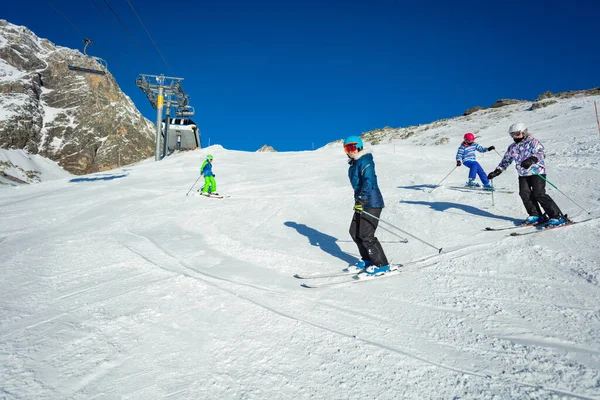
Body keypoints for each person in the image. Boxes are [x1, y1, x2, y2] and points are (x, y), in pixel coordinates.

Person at [487, 122, 567, 226]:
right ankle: (536, 215)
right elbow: (506, 160)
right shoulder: (512, 147)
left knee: (539, 194)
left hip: (536, 172)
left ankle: (557, 216)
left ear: (524, 132)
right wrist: (498, 171)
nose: (514, 137)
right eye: (512, 134)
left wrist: (532, 159)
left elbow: (541, 153)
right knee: (524, 194)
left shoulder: (533, 142)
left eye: (517, 134)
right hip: (523, 174)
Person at [343, 136, 391, 276]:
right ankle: (367, 260)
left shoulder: (365, 160)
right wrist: (358, 201)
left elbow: (368, 182)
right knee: (354, 232)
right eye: (347, 148)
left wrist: (362, 201)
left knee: (366, 235)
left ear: (359, 147)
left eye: (352, 147)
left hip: (371, 202)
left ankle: (382, 265)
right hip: (361, 202)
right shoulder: (353, 165)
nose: (350, 151)